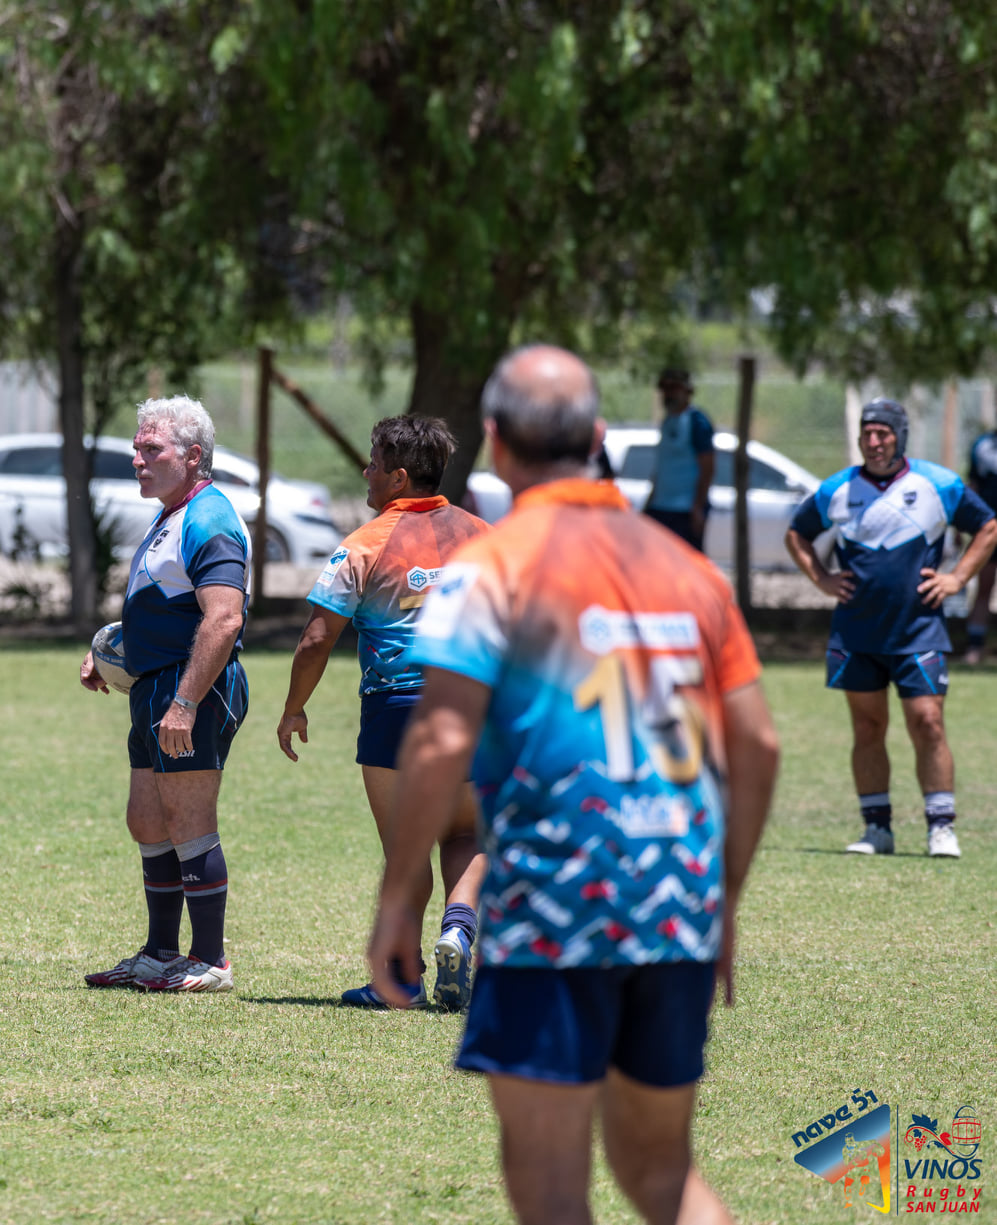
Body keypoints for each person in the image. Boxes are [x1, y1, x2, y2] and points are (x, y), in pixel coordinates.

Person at [371, 344, 780, 1225]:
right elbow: (758, 744)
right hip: (675, 905)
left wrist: (401, 896)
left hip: (557, 902)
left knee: (550, 1176)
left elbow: (441, 734)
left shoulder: (493, 564)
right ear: (598, 436)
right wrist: (724, 900)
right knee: (659, 1168)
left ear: (494, 442)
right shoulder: (688, 570)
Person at [275, 416, 488, 1011]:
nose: (365, 473)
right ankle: (459, 929)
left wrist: (294, 708)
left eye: (372, 463)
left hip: (395, 712)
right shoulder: (488, 538)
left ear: (398, 477)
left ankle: (400, 982)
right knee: (471, 832)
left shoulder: (364, 545)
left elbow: (317, 638)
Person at [80, 396, 249, 995]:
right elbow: (164, 602)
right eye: (137, 447)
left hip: (192, 690)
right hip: (156, 686)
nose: (137, 459)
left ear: (193, 456)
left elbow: (223, 619)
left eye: (151, 449)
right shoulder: (173, 515)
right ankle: (159, 953)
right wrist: (110, 655)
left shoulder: (210, 517)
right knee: (147, 818)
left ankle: (209, 961)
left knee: (187, 818)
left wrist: (185, 701)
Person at [785, 398, 997, 859]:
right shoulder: (838, 489)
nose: (874, 442)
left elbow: (988, 526)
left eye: (883, 433)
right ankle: (876, 829)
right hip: (856, 633)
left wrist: (958, 577)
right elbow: (796, 533)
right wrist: (821, 579)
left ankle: (941, 827)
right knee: (867, 727)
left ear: (900, 435)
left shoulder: (937, 483)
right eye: (867, 434)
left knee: (928, 722)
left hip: (917, 630)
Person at [643, 368, 715, 551]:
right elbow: (662, 466)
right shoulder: (667, 421)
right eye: (665, 388)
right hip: (661, 507)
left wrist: (698, 507)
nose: (668, 393)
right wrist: (650, 501)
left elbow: (707, 467)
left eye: (674, 387)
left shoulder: (697, 422)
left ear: (687, 391)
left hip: (684, 510)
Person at [963, 425, 997, 664]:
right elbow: (973, 486)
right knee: (984, 588)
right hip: (989, 529)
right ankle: (974, 648)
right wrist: (962, 527)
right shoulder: (983, 446)